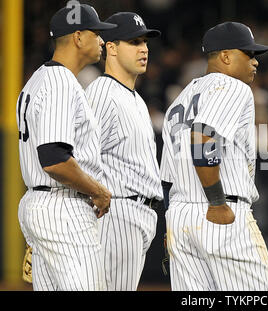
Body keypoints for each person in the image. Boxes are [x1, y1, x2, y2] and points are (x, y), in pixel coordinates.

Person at [160, 22, 268, 291]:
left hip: (180, 217)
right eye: (249, 54)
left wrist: (170, 222)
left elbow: (166, 177)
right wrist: (216, 202)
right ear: (225, 56)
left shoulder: (180, 99)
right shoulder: (232, 86)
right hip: (220, 212)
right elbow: (203, 136)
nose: (255, 62)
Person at [17, 4, 115, 290]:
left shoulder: (37, 80)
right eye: (96, 33)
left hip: (42, 203)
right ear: (78, 37)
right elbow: (54, 159)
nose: (101, 41)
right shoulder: (60, 82)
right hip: (62, 208)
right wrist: (98, 191)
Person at [85, 12, 163, 291]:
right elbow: (80, 159)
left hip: (138, 215)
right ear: (112, 48)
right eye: (134, 41)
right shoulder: (102, 93)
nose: (144, 48)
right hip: (116, 213)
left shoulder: (135, 98)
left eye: (145, 41)